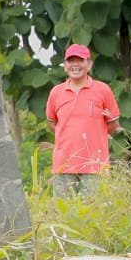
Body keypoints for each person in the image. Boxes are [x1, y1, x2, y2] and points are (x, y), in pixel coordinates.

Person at [44, 43, 120, 197]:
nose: (75, 65)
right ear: (65, 66)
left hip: (95, 165)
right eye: (71, 61)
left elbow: (113, 124)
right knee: (64, 215)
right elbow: (52, 122)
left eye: (80, 60)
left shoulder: (102, 90)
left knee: (94, 213)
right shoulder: (56, 92)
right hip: (64, 165)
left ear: (89, 64)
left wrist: (101, 130)